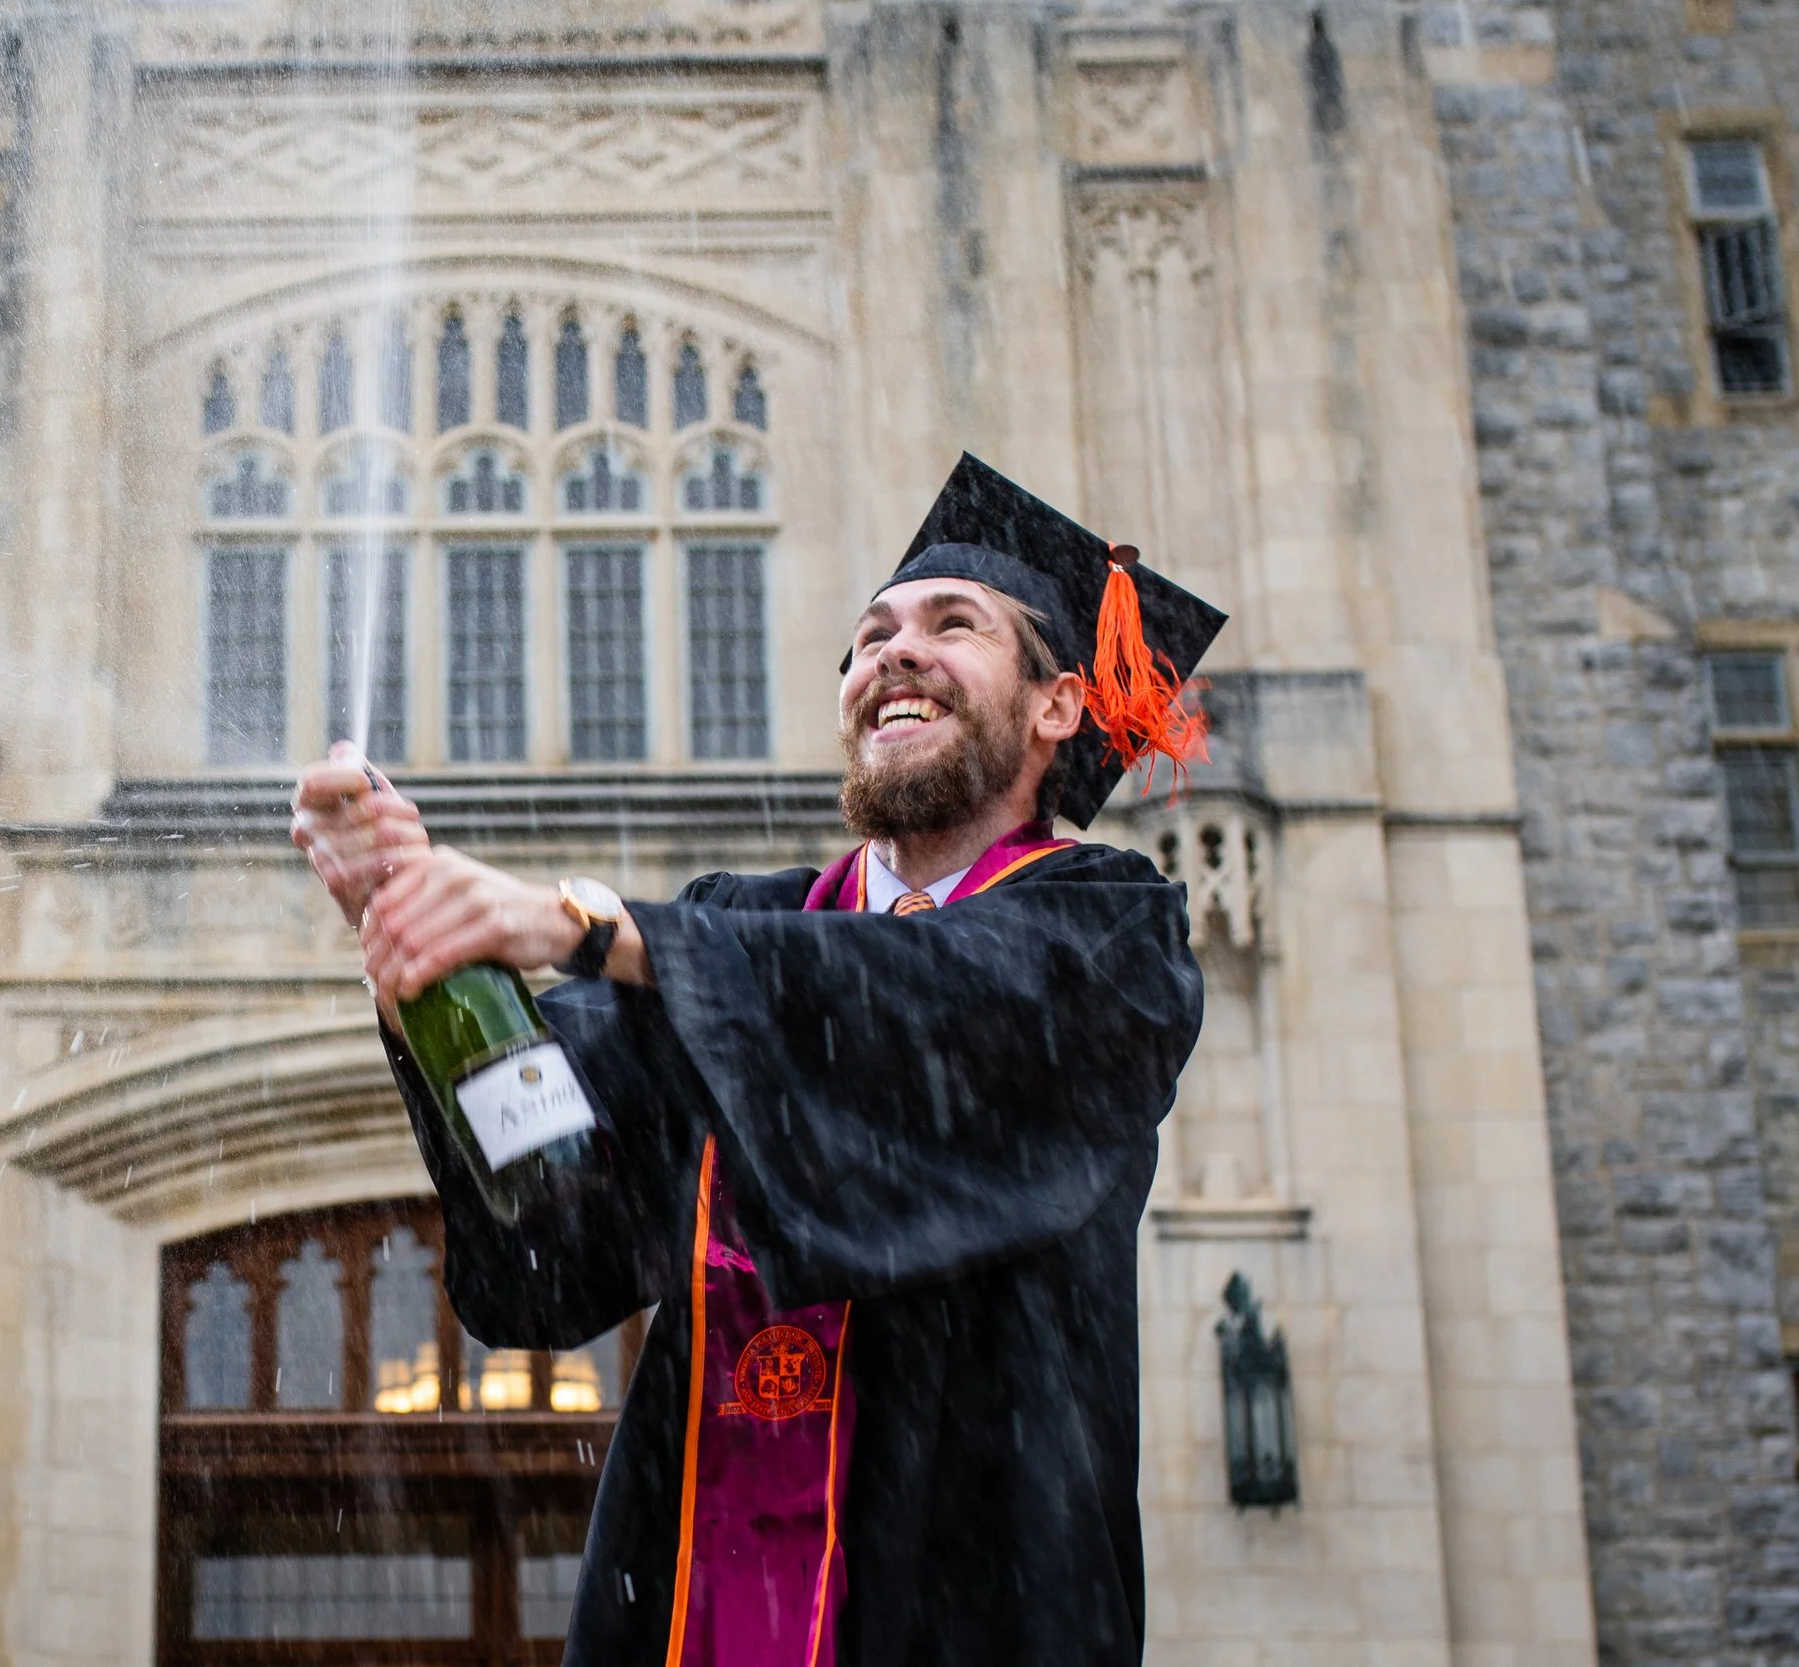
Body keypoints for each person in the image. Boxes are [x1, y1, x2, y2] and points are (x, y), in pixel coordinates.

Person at [292, 452, 1224, 1667]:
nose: (895, 651)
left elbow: (931, 998)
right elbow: (557, 1226)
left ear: (1057, 705)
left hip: (963, 1598)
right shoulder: (736, 929)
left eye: (956, 625)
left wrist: (581, 924)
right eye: (871, 634)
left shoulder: (1106, 928)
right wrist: (428, 955)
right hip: (685, 1604)